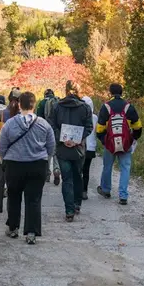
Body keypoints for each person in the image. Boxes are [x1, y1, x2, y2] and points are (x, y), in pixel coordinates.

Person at [0, 91, 55, 245]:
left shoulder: (10, 123)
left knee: (13, 196)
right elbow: (51, 148)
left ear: (19, 104)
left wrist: (4, 160)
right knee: (34, 199)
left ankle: (13, 227)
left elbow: (1, 147)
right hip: (37, 165)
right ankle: (31, 232)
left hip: (14, 165)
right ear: (34, 105)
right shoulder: (44, 124)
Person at [47, 80, 93, 222]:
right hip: (78, 148)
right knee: (77, 175)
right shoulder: (85, 108)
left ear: (66, 91)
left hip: (62, 148)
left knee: (67, 179)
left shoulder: (56, 107)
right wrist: (78, 139)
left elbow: (51, 125)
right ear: (78, 91)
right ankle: (77, 203)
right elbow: (89, 127)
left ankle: (69, 210)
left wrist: (62, 138)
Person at [96, 83, 142, 206]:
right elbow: (138, 126)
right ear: (122, 92)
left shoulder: (106, 107)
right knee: (125, 168)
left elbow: (100, 129)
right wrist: (133, 139)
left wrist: (105, 141)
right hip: (126, 144)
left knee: (107, 166)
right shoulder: (128, 107)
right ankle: (123, 196)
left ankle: (106, 190)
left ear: (110, 92)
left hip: (110, 143)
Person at [0, 88, 21, 213]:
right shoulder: (21, 116)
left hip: (1, 152)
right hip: (17, 152)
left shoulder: (0, 114)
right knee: (14, 180)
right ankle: (13, 206)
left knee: (0, 180)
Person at [35, 88, 61, 185]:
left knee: (47, 151)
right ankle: (57, 169)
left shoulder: (41, 103)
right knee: (56, 151)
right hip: (57, 130)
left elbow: (38, 119)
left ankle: (47, 173)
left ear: (44, 95)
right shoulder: (58, 102)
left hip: (45, 130)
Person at [81, 96, 99, 200]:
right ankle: (84, 191)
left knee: (78, 169)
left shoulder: (78, 116)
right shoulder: (95, 117)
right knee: (86, 170)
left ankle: (78, 189)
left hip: (79, 146)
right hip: (91, 147)